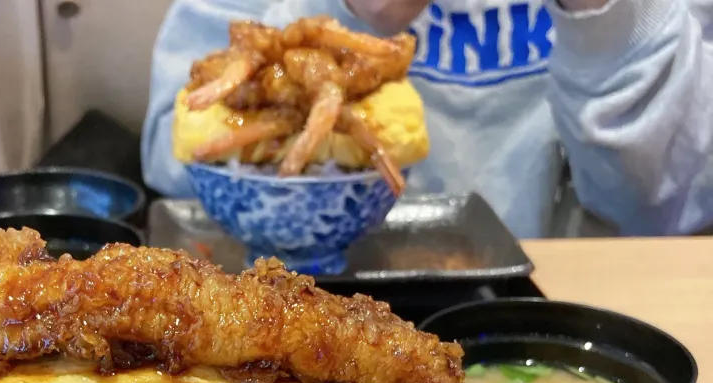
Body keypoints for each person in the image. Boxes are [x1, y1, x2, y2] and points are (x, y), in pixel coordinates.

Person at [142, 0, 713, 238]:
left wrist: (603, 17)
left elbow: (669, 205)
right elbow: (172, 159)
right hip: (297, 296)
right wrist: (352, 15)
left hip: (560, 311)